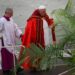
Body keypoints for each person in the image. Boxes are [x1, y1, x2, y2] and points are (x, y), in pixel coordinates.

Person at [19, 5, 56, 70]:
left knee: (46, 50)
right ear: (39, 11)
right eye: (43, 11)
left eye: (45, 11)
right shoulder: (33, 19)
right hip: (36, 40)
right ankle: (35, 66)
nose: (44, 13)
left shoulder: (45, 16)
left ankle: (44, 65)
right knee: (36, 52)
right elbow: (30, 30)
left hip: (46, 38)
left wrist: (52, 24)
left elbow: (49, 21)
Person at [0, 8, 22, 75]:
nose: (12, 15)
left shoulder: (11, 19)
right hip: (5, 41)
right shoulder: (1, 20)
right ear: (7, 13)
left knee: (13, 54)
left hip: (12, 40)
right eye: (11, 13)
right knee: (6, 56)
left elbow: (15, 28)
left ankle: (15, 68)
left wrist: (20, 34)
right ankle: (6, 70)